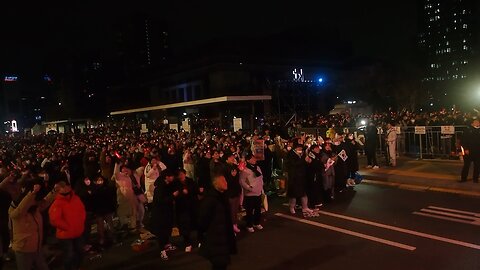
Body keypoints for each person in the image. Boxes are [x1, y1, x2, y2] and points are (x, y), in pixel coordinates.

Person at [9, 179, 55, 270]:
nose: (39, 202)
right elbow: (19, 211)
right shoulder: (16, 209)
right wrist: (32, 193)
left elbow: (44, 202)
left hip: (36, 247)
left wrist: (54, 191)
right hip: (23, 250)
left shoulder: (34, 208)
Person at [197, 174, 237, 270]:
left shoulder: (222, 197)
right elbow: (203, 220)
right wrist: (202, 235)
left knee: (221, 265)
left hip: (223, 238)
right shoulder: (211, 200)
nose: (226, 183)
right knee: (219, 264)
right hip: (215, 239)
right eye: (223, 181)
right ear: (216, 184)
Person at [49, 181, 86, 270]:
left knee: (80, 251)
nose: (66, 189)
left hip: (77, 231)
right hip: (65, 235)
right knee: (68, 255)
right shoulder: (57, 203)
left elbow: (82, 212)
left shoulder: (76, 199)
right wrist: (67, 227)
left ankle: (77, 267)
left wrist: (80, 223)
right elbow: (55, 220)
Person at [150, 170, 179, 260]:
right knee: (161, 232)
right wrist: (173, 196)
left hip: (167, 212)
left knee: (167, 229)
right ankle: (162, 250)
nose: (173, 178)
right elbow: (161, 201)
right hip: (160, 213)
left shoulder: (168, 185)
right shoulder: (160, 187)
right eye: (171, 176)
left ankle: (166, 245)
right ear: (166, 177)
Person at [286, 143, 314, 215]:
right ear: (295, 148)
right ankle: (292, 207)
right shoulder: (290, 154)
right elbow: (293, 164)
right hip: (294, 177)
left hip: (302, 176)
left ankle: (305, 207)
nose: (301, 150)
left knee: (303, 192)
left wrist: (308, 161)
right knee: (294, 194)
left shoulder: (303, 154)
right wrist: (303, 160)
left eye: (301, 149)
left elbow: (304, 163)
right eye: (299, 149)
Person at [239, 152, 264, 233]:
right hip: (250, 194)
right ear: (248, 160)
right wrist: (248, 188)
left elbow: (261, 179)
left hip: (258, 192)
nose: (254, 159)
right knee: (249, 211)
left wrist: (262, 189)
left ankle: (257, 222)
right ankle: (249, 225)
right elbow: (241, 181)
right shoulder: (245, 170)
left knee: (258, 209)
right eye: (252, 158)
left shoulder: (258, 168)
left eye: (254, 158)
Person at [175, 169, 198, 253]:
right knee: (184, 225)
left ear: (185, 174)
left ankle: (198, 240)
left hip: (191, 205)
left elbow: (195, 190)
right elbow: (175, 194)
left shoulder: (190, 181)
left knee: (193, 223)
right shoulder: (176, 183)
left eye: (182, 174)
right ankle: (187, 242)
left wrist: (188, 191)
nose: (181, 176)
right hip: (181, 207)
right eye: (179, 175)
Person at [223, 152, 242, 234]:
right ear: (227, 159)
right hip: (229, 192)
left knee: (235, 210)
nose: (233, 158)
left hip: (236, 191)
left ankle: (234, 224)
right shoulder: (224, 168)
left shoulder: (235, 167)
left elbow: (237, 178)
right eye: (230, 157)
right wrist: (232, 176)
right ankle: (230, 227)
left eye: (233, 157)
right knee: (230, 211)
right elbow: (225, 181)